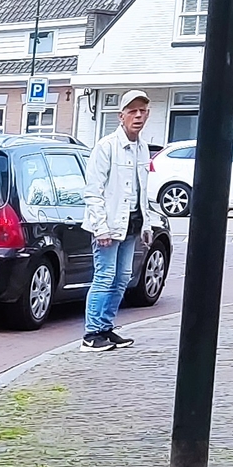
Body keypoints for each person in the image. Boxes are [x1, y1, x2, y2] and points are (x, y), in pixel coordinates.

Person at [80, 90, 153, 350]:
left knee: (122, 277)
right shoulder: (107, 146)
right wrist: (101, 228)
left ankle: (106, 328)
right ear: (120, 116)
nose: (138, 116)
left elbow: (141, 190)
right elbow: (93, 190)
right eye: (132, 111)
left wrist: (146, 224)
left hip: (131, 224)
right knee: (105, 276)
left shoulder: (143, 148)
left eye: (142, 111)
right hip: (108, 226)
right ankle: (91, 334)